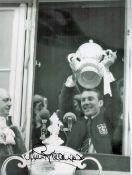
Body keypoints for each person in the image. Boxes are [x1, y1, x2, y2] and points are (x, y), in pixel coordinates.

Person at [59, 76, 112, 154]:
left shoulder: (108, 120)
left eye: (90, 99)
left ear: (100, 103)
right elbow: (65, 103)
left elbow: (115, 102)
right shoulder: (75, 121)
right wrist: (72, 79)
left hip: (102, 163)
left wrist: (106, 73)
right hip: (75, 163)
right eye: (83, 100)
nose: (86, 102)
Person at [0, 88, 26, 157]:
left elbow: (23, 156)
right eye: (5, 100)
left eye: (10, 100)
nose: (10, 104)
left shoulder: (13, 129)